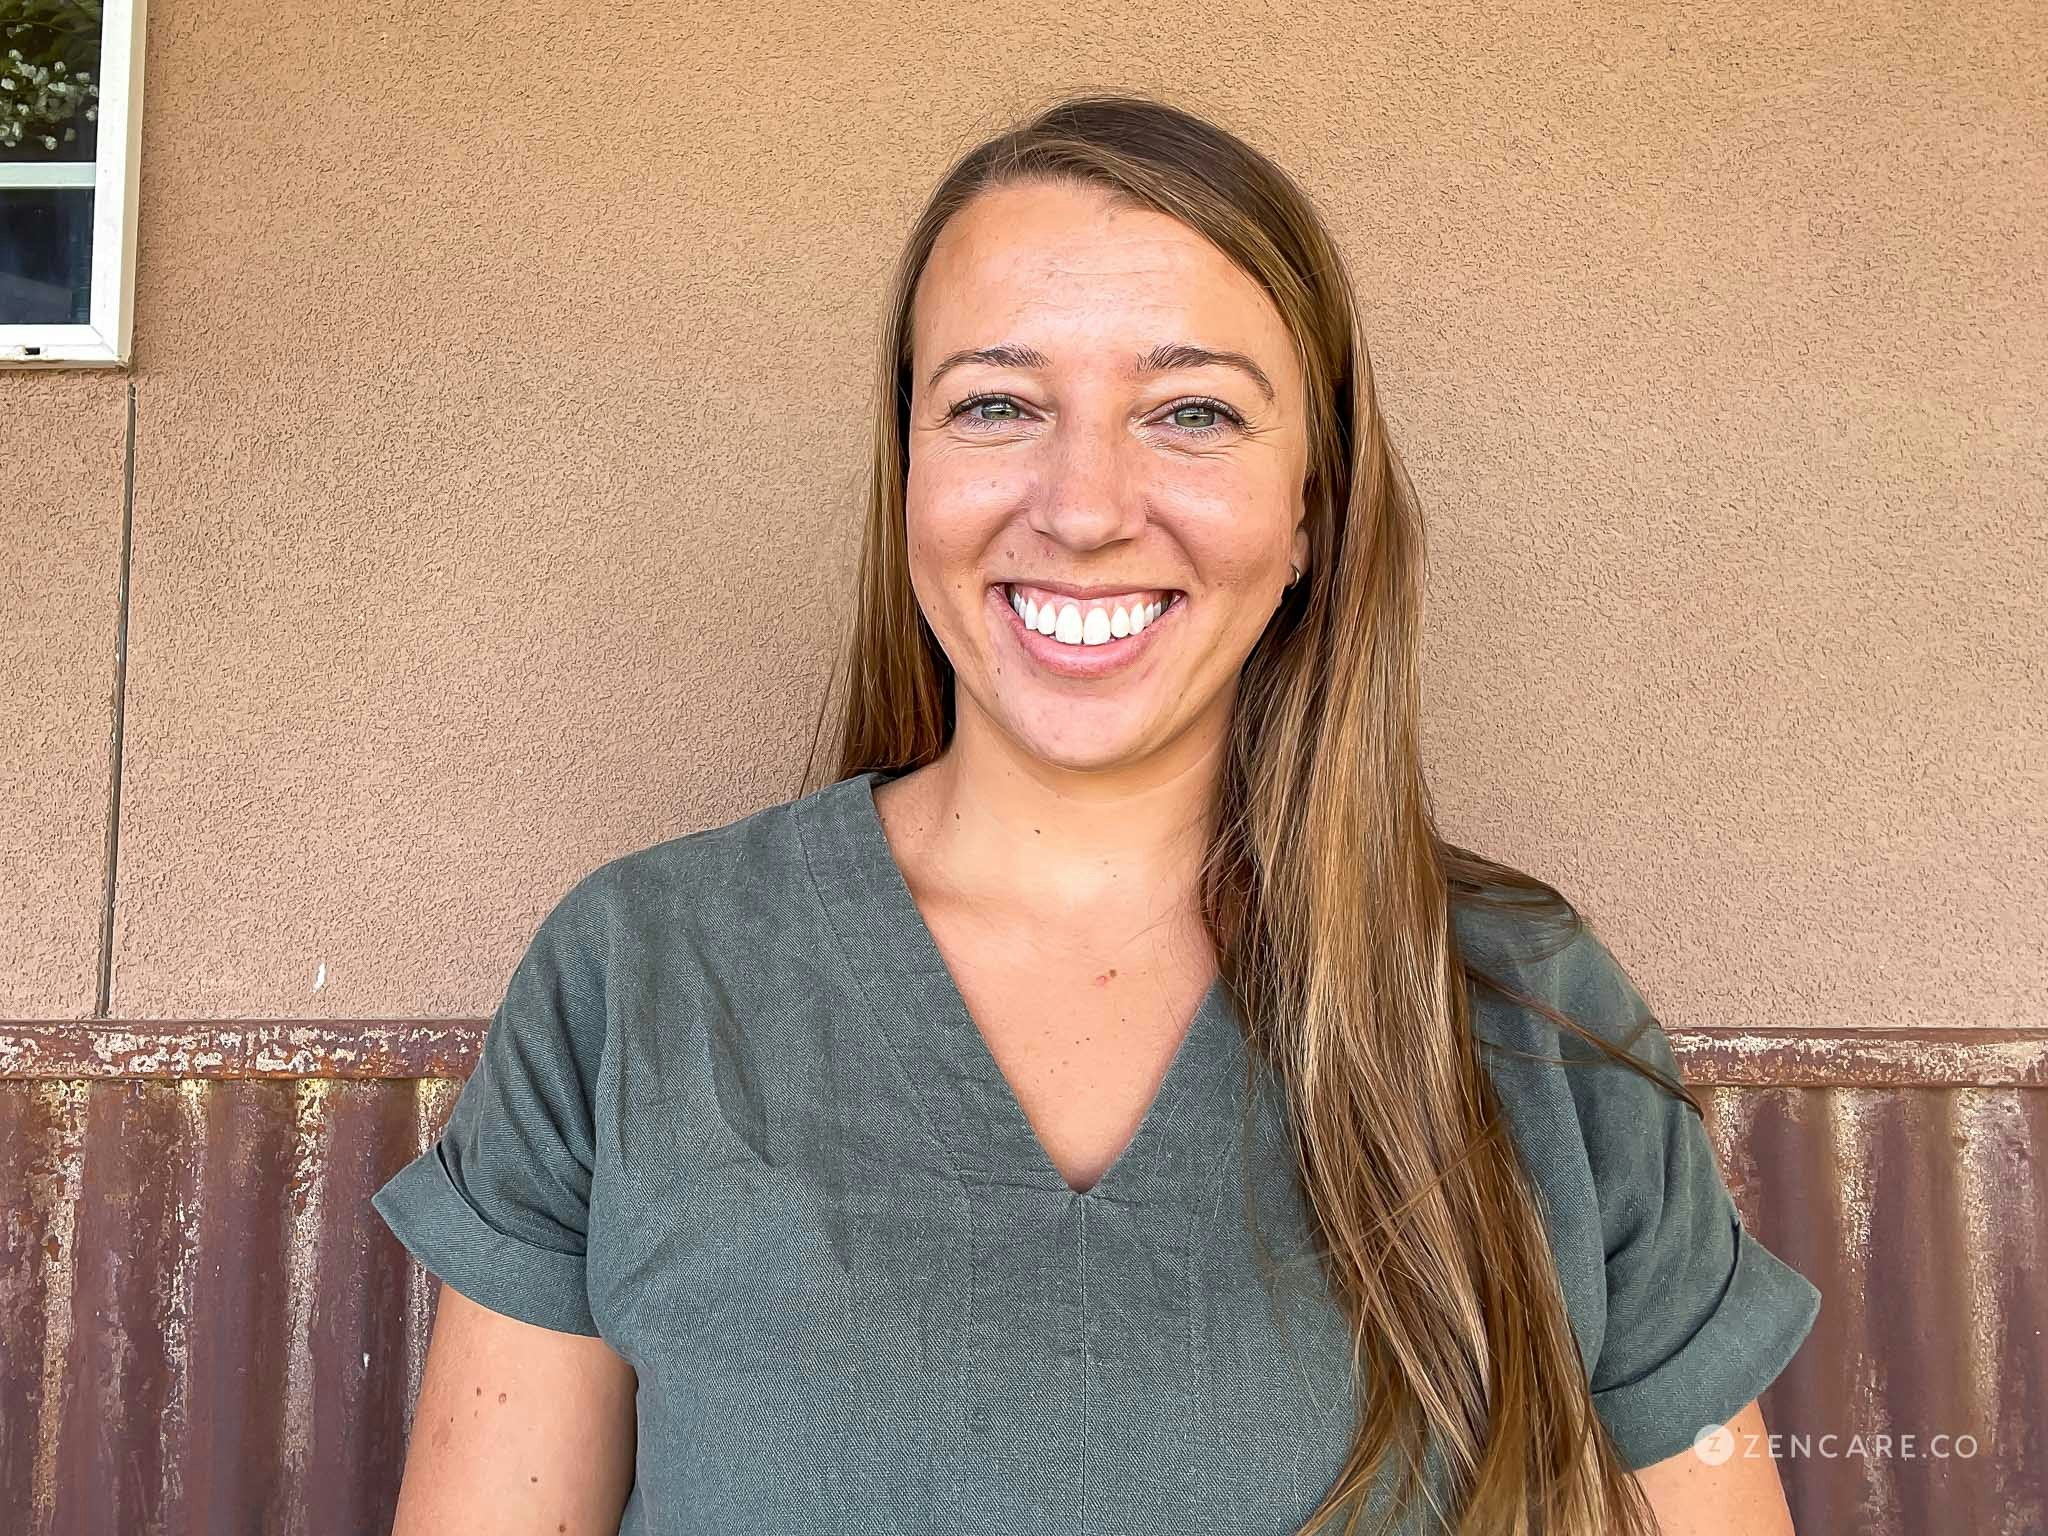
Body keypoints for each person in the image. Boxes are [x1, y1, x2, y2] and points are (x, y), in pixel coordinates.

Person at [371, 92, 1822, 1536]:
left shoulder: (1527, 1004)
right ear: (912, 471)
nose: (1083, 507)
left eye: (1192, 411)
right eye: (997, 404)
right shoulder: (640, 975)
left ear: (1312, 505)